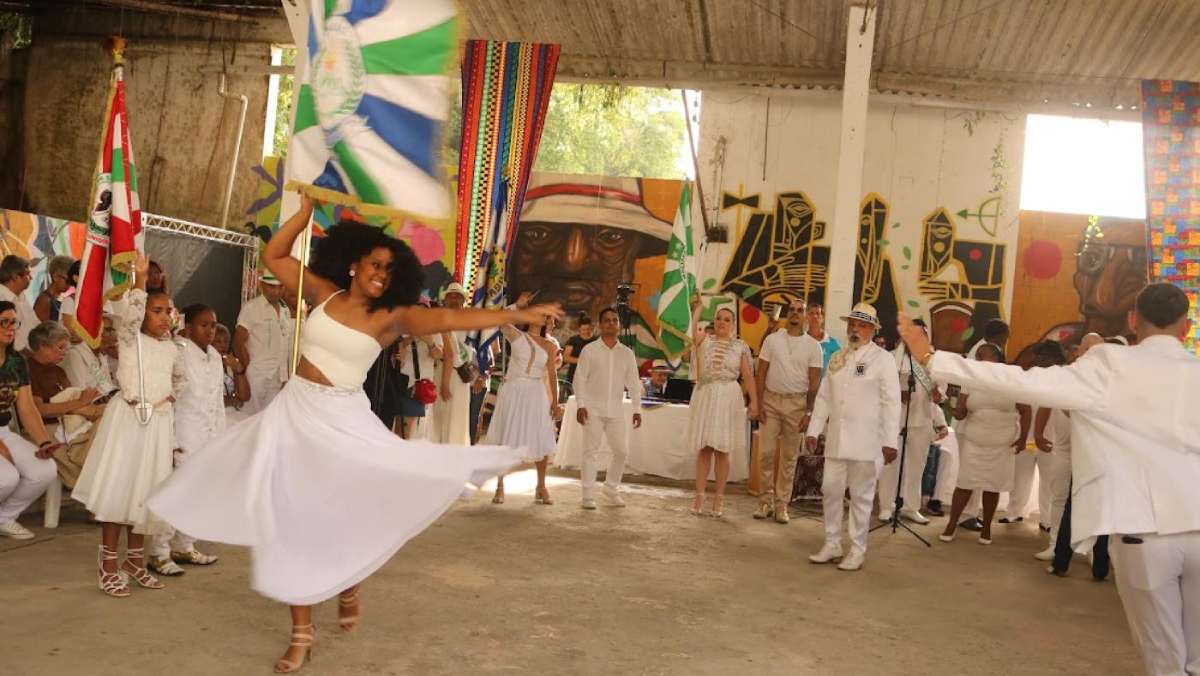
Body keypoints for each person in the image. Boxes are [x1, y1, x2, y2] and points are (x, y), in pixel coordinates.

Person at [146, 195, 560, 673]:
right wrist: (301, 219)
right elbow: (274, 258)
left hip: (343, 419)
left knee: (342, 510)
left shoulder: (391, 318)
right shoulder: (321, 292)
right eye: (374, 264)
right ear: (354, 263)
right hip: (295, 411)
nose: (381, 273)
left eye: (389, 268)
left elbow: (451, 319)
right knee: (288, 518)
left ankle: (349, 579)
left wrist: (514, 315)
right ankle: (302, 631)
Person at [897, 283, 1200, 676]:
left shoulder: (1110, 365)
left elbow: (1021, 382)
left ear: (1132, 320)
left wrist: (931, 357)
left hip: (1143, 527)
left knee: (1165, 660)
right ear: (1187, 327)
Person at [72, 254, 185, 597]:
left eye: (168, 311)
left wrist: (168, 400)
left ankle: (134, 562)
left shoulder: (172, 348)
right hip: (128, 423)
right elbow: (134, 312)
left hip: (157, 425)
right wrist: (138, 280)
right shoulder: (129, 339)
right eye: (157, 310)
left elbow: (180, 380)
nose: (164, 317)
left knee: (145, 494)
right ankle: (107, 565)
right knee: (119, 492)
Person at [806, 303, 900, 572]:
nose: (855, 330)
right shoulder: (837, 357)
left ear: (872, 329)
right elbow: (824, 397)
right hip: (837, 438)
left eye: (861, 325)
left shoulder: (883, 360)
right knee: (830, 490)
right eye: (852, 325)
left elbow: (892, 402)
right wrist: (814, 430)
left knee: (861, 496)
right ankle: (832, 542)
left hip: (868, 441)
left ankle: (857, 549)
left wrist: (890, 441)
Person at [147, 304, 226, 576]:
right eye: (204, 325)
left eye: (213, 325)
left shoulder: (215, 356)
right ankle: (159, 552)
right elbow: (170, 399)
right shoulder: (178, 352)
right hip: (182, 432)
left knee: (196, 493)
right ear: (188, 327)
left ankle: (184, 545)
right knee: (174, 492)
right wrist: (169, 441)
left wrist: (220, 439)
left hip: (206, 433)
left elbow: (217, 402)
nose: (210, 331)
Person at [937, 344, 1029, 545]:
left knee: (992, 485)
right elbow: (961, 413)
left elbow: (1025, 410)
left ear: (996, 358)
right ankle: (951, 524)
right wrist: (945, 402)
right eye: (976, 356)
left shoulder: (1011, 378)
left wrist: (1022, 439)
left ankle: (986, 527)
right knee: (965, 483)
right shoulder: (971, 380)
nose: (977, 359)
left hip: (1002, 444)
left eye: (981, 355)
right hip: (974, 441)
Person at [487, 291, 561, 506]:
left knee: (541, 435)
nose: (541, 318)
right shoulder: (517, 335)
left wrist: (554, 402)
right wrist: (516, 306)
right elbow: (499, 319)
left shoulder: (550, 345)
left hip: (536, 392)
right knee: (505, 437)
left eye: (545, 315)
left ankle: (541, 486)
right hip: (513, 390)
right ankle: (499, 486)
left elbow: (553, 374)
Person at [685, 304, 758, 519]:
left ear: (733, 324)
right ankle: (699, 495)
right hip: (706, 394)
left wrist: (754, 401)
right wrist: (697, 309)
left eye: (726, 319)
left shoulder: (740, 346)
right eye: (718, 318)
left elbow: (748, 375)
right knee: (705, 447)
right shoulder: (704, 340)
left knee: (722, 449)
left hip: (728, 396)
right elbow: (690, 330)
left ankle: (719, 496)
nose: (721, 322)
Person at [753, 299, 822, 524]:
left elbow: (814, 384)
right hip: (771, 402)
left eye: (800, 311)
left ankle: (782, 505)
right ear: (787, 315)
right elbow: (761, 373)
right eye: (791, 310)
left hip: (797, 406)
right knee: (765, 454)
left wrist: (809, 413)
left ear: (806, 317)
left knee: (789, 458)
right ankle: (765, 501)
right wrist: (759, 404)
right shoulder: (773, 340)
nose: (795, 313)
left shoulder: (814, 346)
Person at [0, 308, 63, 540]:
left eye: (13, 323)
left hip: (3, 430)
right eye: (3, 322)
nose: (9, 328)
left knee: (44, 470)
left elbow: (26, 407)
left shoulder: (17, 361)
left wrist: (44, 442)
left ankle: (4, 518)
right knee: (6, 478)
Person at [573, 307, 642, 510]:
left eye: (615, 320)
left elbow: (634, 382)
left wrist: (637, 408)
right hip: (592, 409)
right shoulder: (590, 350)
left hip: (616, 411)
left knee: (621, 451)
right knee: (590, 453)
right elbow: (580, 380)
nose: (612, 323)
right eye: (607, 320)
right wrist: (581, 405)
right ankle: (587, 496)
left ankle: (611, 488)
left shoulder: (627, 353)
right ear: (600, 325)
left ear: (619, 325)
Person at [24, 321, 106, 489]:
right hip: (45, 426)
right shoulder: (28, 369)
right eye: (60, 347)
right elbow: (39, 410)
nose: (64, 353)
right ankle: (90, 489)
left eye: (66, 348)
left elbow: (72, 401)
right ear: (42, 346)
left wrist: (89, 404)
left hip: (70, 421)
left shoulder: (58, 371)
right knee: (89, 455)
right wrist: (81, 402)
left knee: (109, 420)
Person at [878, 318, 942, 526]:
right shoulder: (890, 358)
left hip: (922, 418)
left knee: (917, 465)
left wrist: (939, 393)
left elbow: (941, 389)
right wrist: (898, 393)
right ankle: (887, 506)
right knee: (890, 464)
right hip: (896, 419)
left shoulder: (933, 360)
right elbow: (879, 387)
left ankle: (911, 507)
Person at [1004, 341, 1066, 528]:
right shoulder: (1030, 376)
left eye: (1044, 356)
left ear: (1055, 358)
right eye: (1038, 356)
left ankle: (1046, 520)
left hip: (1049, 438)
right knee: (1020, 477)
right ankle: (1015, 512)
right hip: (1026, 435)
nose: (1040, 360)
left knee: (1049, 481)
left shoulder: (1062, 378)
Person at [235, 273, 291, 415]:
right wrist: (250, 370)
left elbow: (285, 345)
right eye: (272, 287)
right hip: (257, 373)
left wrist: (285, 375)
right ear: (262, 285)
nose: (277, 291)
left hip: (278, 374)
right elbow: (238, 343)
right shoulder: (252, 308)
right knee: (247, 417)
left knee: (269, 419)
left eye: (280, 287)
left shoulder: (285, 310)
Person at [427, 283, 474, 446]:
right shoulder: (441, 320)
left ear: (462, 300)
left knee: (457, 416)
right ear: (445, 300)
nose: (453, 299)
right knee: (439, 413)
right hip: (440, 370)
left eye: (457, 296)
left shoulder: (470, 321)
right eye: (450, 296)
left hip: (460, 374)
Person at [395, 333, 444, 440]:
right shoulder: (404, 324)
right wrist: (412, 337)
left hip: (416, 386)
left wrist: (430, 342)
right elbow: (393, 346)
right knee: (391, 429)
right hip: (396, 381)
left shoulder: (434, 329)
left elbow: (438, 355)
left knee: (404, 433)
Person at [63, 315, 119, 395]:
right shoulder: (75, 353)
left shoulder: (101, 356)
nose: (107, 335)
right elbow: (80, 394)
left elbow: (109, 388)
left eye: (110, 331)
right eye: (102, 330)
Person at [213, 323, 250, 425]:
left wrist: (239, 369)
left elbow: (244, 397)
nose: (223, 345)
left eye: (226, 341)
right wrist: (232, 399)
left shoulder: (231, 363)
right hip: (215, 415)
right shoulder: (204, 365)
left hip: (233, 412)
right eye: (218, 341)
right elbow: (209, 400)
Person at [0, 255, 38, 352]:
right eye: (28, 274)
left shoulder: (21, 296)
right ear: (16, 277)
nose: (31, 278)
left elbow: (35, 325)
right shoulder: (1, 298)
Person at [34, 255, 74, 322]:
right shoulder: (44, 300)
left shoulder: (61, 298)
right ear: (55, 277)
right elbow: (40, 330)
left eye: (71, 281)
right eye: (67, 280)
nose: (69, 284)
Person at [806, 302, 841, 372]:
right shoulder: (800, 341)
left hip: (825, 382)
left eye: (818, 313)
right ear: (806, 318)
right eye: (811, 313)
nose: (815, 316)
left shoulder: (833, 343)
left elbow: (841, 365)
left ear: (822, 319)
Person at [562, 314, 596, 386]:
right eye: (583, 329)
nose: (586, 332)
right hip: (574, 375)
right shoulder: (573, 340)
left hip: (592, 377)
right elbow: (565, 358)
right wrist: (582, 360)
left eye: (588, 329)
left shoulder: (597, 340)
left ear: (591, 328)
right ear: (579, 329)